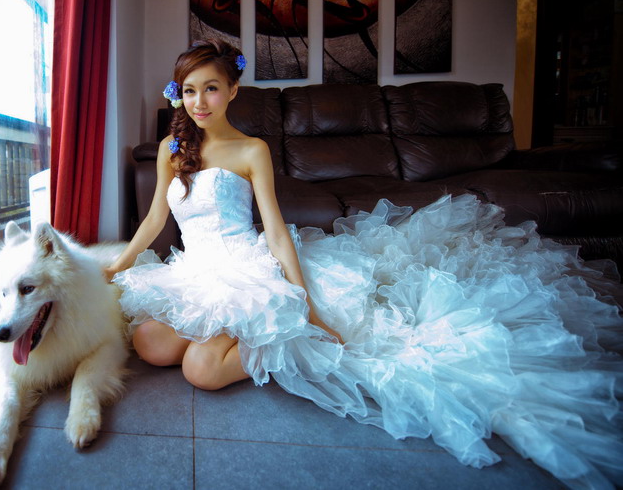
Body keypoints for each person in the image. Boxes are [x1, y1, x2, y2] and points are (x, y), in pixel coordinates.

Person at [105, 40, 623, 489]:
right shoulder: (173, 148)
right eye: (189, 90)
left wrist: (303, 303)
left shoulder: (251, 149)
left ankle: (277, 334)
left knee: (201, 370)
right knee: (148, 342)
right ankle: (225, 330)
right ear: (179, 94)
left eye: (211, 88)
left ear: (233, 91)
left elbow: (276, 231)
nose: (199, 101)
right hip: (193, 272)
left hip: (243, 269)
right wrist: (119, 266)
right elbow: (155, 220)